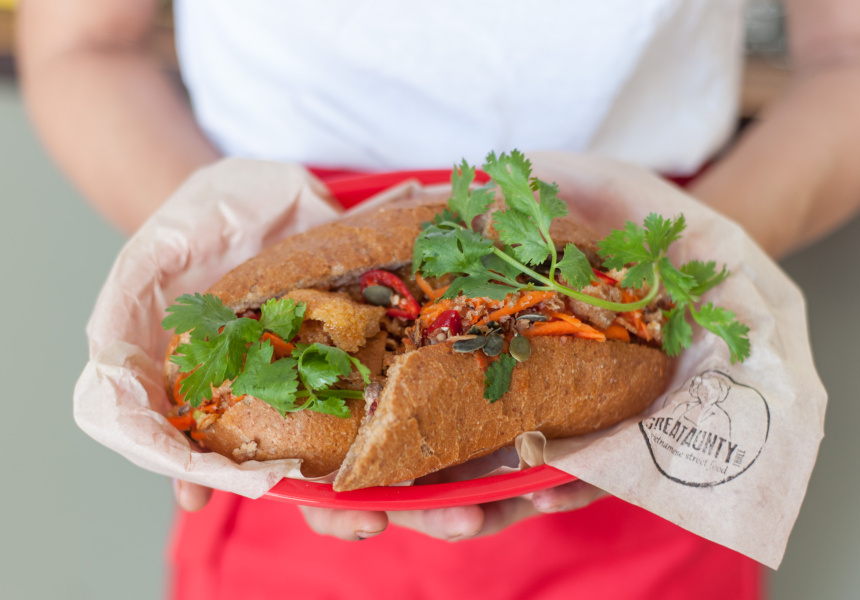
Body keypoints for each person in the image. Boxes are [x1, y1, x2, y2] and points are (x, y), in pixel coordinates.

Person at [17, 1, 860, 598]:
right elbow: (82, 42)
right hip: (280, 501)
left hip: (658, 433)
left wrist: (683, 264)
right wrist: (219, 243)